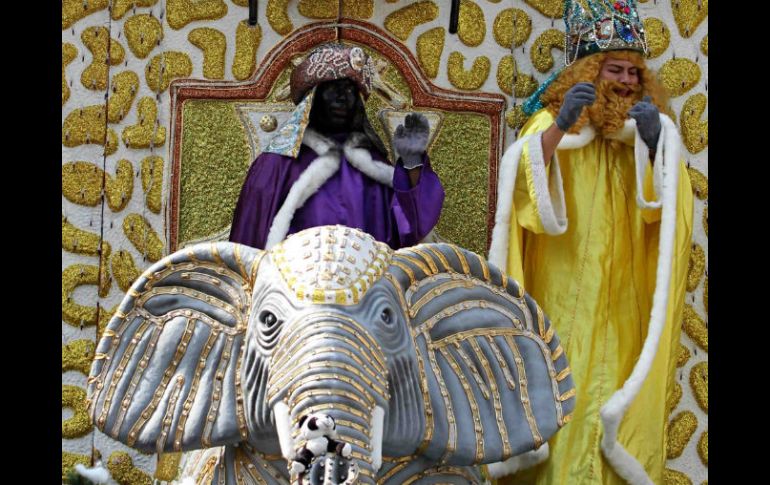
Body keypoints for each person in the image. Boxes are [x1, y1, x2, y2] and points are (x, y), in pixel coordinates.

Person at [489, 1, 693, 483]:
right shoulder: (549, 126)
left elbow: (669, 218)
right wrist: (561, 129)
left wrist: (654, 147)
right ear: (587, 71)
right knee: (564, 393)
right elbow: (523, 198)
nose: (624, 81)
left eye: (632, 72)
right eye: (613, 69)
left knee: (616, 397)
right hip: (561, 301)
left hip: (624, 302)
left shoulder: (651, 133)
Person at [229, 43, 444, 250]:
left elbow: (409, 229)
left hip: (367, 283)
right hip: (294, 282)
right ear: (311, 100)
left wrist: (412, 161)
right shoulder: (275, 165)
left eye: (350, 91)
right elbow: (247, 246)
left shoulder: (376, 167)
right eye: (332, 88)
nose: (342, 98)